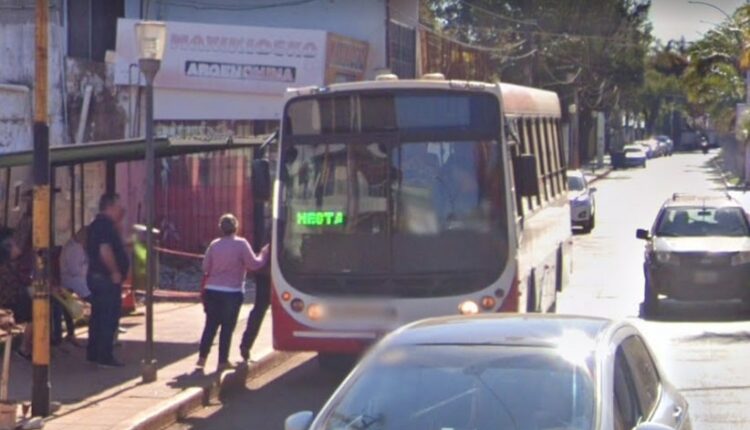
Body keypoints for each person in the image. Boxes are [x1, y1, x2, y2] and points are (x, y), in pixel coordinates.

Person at [198, 214, 268, 371]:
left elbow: (205, 268)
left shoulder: (214, 245)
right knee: (227, 328)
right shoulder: (241, 244)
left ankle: (202, 359)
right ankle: (222, 361)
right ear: (236, 227)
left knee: (210, 325)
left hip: (212, 291)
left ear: (221, 228)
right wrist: (264, 253)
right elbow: (254, 264)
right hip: (232, 292)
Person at [86, 193, 129, 368]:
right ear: (110, 206)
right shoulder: (104, 226)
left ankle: (94, 353)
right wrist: (114, 271)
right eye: (119, 206)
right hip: (105, 277)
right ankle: (104, 355)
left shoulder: (100, 225)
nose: (121, 209)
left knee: (98, 316)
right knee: (108, 316)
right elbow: (105, 250)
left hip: (97, 276)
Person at [0, 228, 33, 358]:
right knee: (35, 312)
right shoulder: (6, 268)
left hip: (8, 298)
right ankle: (25, 347)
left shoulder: (8, 265)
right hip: (9, 301)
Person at [57, 227, 91, 346]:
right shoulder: (73, 248)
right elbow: (75, 270)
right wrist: (87, 267)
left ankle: (71, 333)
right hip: (73, 281)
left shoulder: (78, 247)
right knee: (95, 301)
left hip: (79, 281)